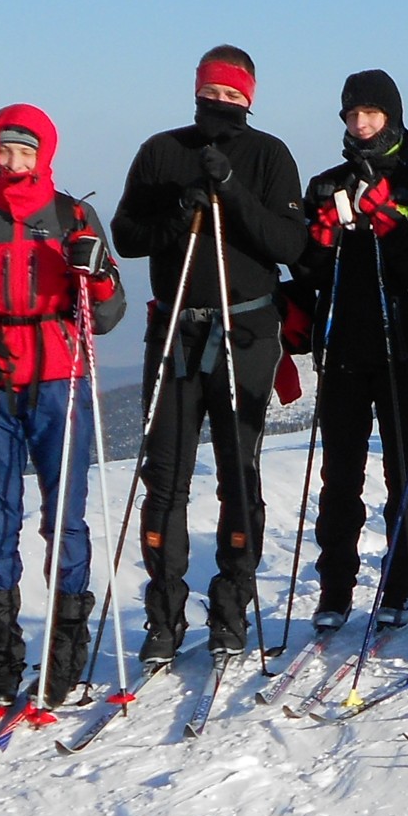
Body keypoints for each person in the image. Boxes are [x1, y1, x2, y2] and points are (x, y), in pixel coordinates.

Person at [110, 46, 309, 662]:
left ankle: (231, 609)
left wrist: (229, 189)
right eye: (211, 93)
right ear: (196, 92)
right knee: (164, 479)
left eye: (232, 95)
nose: (220, 104)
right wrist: (179, 210)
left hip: (244, 332)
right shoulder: (161, 151)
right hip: (176, 331)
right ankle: (163, 617)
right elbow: (126, 236)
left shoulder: (269, 155)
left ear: (249, 98)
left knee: (238, 474)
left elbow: (288, 244)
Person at [0, 107, 127, 713]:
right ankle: (0, 665)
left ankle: (64, 657)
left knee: (65, 520)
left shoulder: (73, 217)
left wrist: (96, 274)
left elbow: (109, 312)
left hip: (59, 378)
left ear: (45, 156)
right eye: (5, 150)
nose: (14, 162)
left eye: (26, 152)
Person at [297, 70, 408, 629]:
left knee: (404, 471)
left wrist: (392, 226)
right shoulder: (325, 186)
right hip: (341, 349)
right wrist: (319, 243)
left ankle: (402, 582)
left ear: (392, 117)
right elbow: (308, 272)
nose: (361, 124)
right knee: (340, 475)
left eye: (371, 114)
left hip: (404, 350)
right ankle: (335, 589)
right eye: (352, 115)